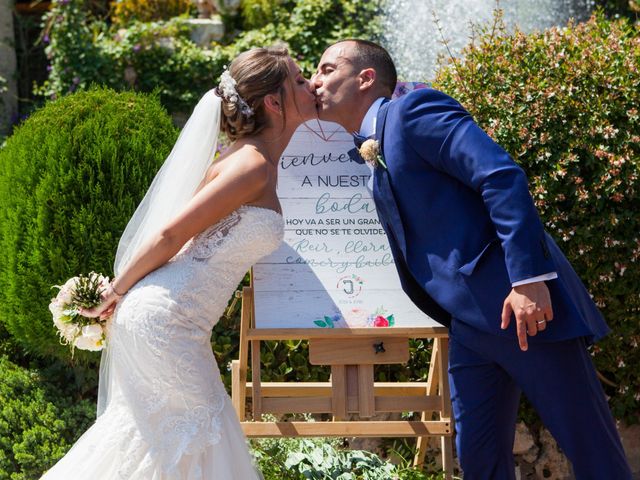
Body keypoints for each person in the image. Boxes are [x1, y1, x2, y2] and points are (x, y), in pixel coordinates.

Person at [312, 39, 632, 479]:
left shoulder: (413, 111)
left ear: (366, 78)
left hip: (519, 310)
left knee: (592, 451)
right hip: (470, 323)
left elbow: (499, 176)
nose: (315, 81)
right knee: (480, 461)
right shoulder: (368, 140)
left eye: (327, 69)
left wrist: (527, 281)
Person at [41, 47, 317, 479]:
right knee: (199, 437)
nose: (311, 84)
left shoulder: (246, 159)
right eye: (300, 80)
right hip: (168, 320)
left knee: (160, 440)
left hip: (166, 316)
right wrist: (114, 292)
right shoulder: (254, 167)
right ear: (274, 102)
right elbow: (172, 234)